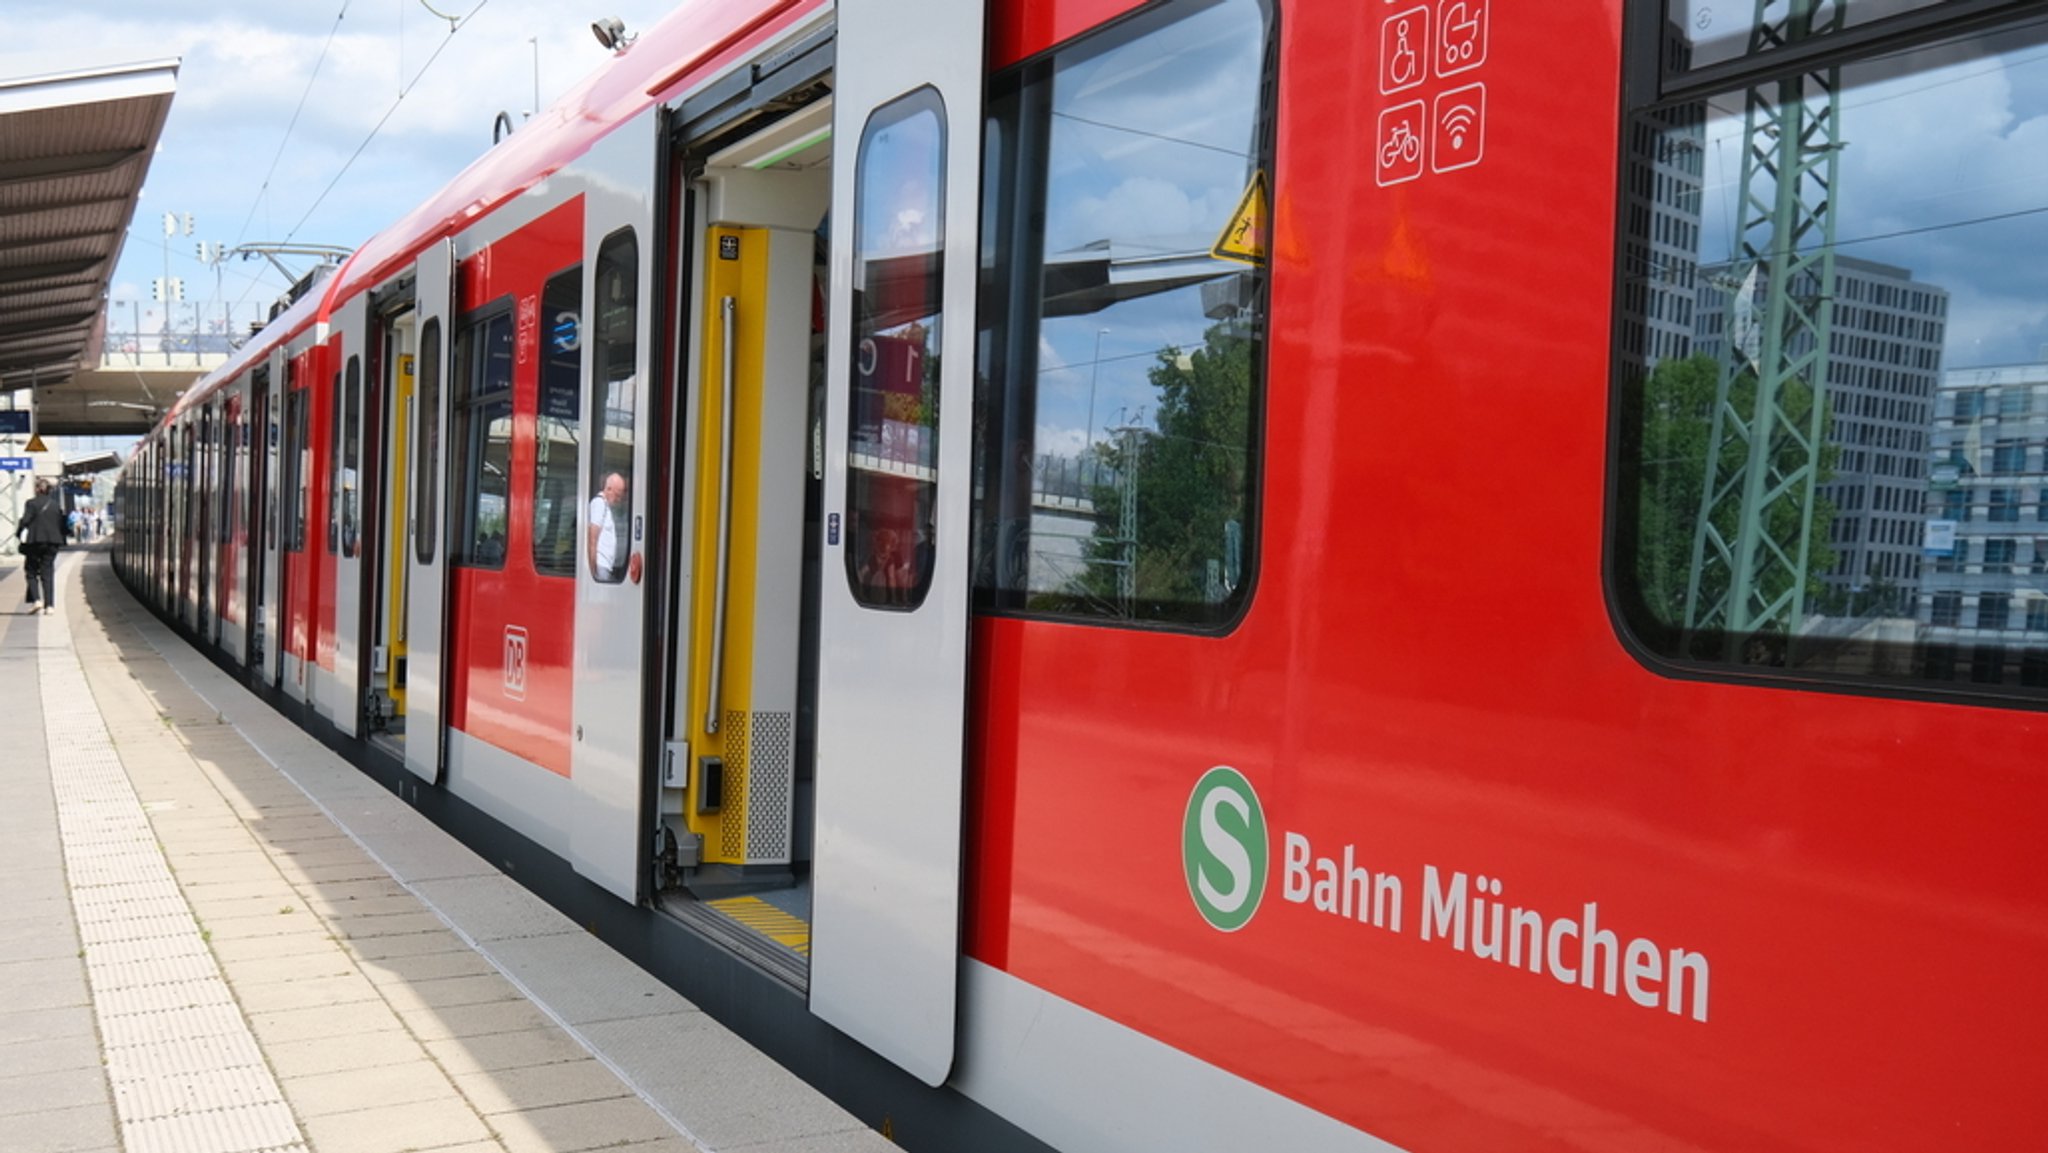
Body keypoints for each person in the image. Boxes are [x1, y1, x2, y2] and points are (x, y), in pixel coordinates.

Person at [17, 477, 69, 615]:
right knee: (48, 572)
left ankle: (37, 601)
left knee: (31, 571)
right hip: (53, 543)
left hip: (35, 541)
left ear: (38, 489)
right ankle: (50, 606)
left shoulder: (31, 503)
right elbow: (62, 525)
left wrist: (19, 532)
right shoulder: (55, 505)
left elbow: (25, 521)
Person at [588, 472, 628, 583]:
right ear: (608, 489)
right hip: (600, 566)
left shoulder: (605, 506)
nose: (618, 500)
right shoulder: (599, 504)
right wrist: (593, 573)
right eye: (617, 495)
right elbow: (592, 538)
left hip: (604, 566)